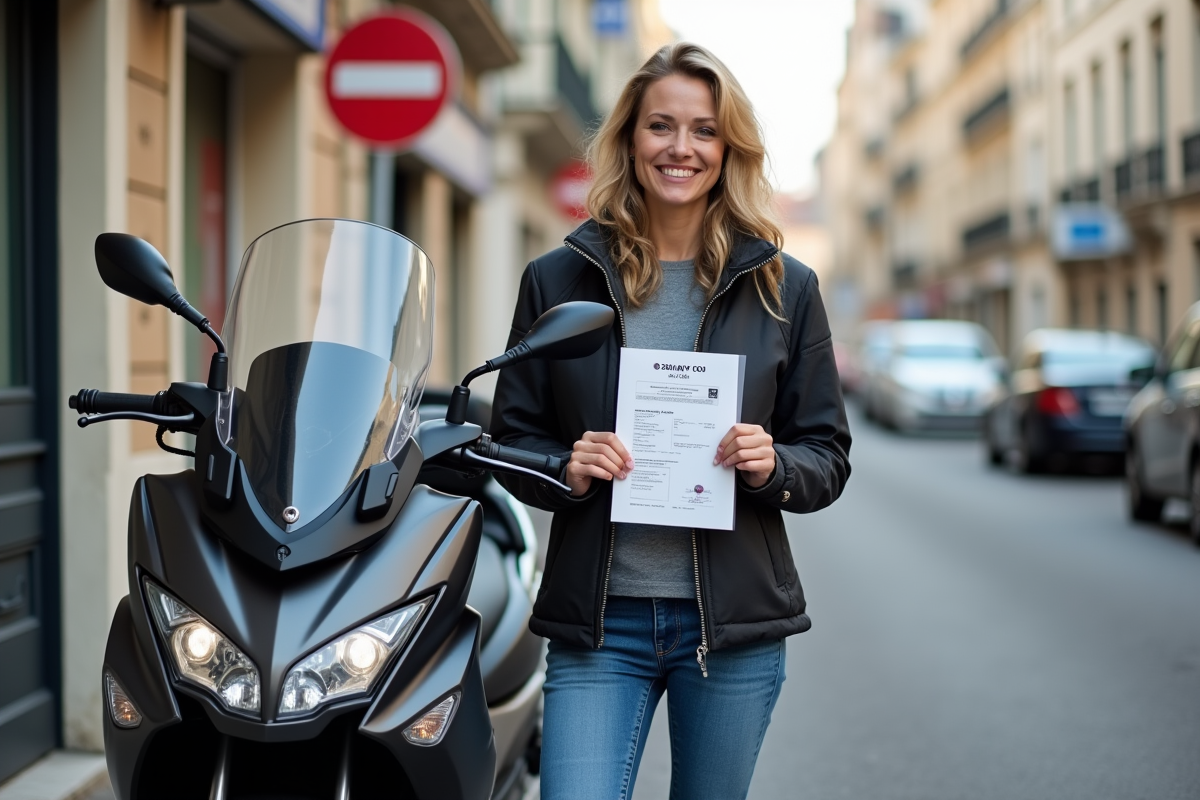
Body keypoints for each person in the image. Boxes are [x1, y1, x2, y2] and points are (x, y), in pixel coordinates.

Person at [489, 42, 852, 800]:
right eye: (660, 126)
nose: (681, 148)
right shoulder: (558, 279)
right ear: (629, 138)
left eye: (704, 130)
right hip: (598, 627)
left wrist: (774, 464)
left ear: (729, 149)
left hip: (732, 633)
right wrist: (565, 466)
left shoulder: (785, 289)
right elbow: (511, 440)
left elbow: (826, 453)